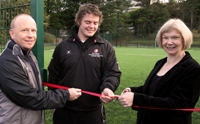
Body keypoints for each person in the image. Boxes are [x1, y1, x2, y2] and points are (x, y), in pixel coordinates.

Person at [0, 14, 82, 124]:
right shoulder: (8, 61)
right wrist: (66, 95)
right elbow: (29, 98)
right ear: (12, 33)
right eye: (24, 30)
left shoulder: (29, 56)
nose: (30, 35)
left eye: (33, 31)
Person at [47, 3, 121, 124]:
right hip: (65, 110)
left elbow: (112, 73)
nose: (92, 26)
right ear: (78, 21)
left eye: (95, 23)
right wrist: (55, 102)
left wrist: (108, 87)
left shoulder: (106, 47)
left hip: (93, 112)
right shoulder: (62, 46)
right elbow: (53, 76)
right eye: (88, 22)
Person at [118, 18, 200, 124]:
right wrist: (132, 90)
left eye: (175, 37)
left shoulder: (192, 69)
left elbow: (178, 104)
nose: (169, 42)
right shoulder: (161, 63)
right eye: (165, 38)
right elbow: (153, 90)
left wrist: (136, 98)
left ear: (184, 39)